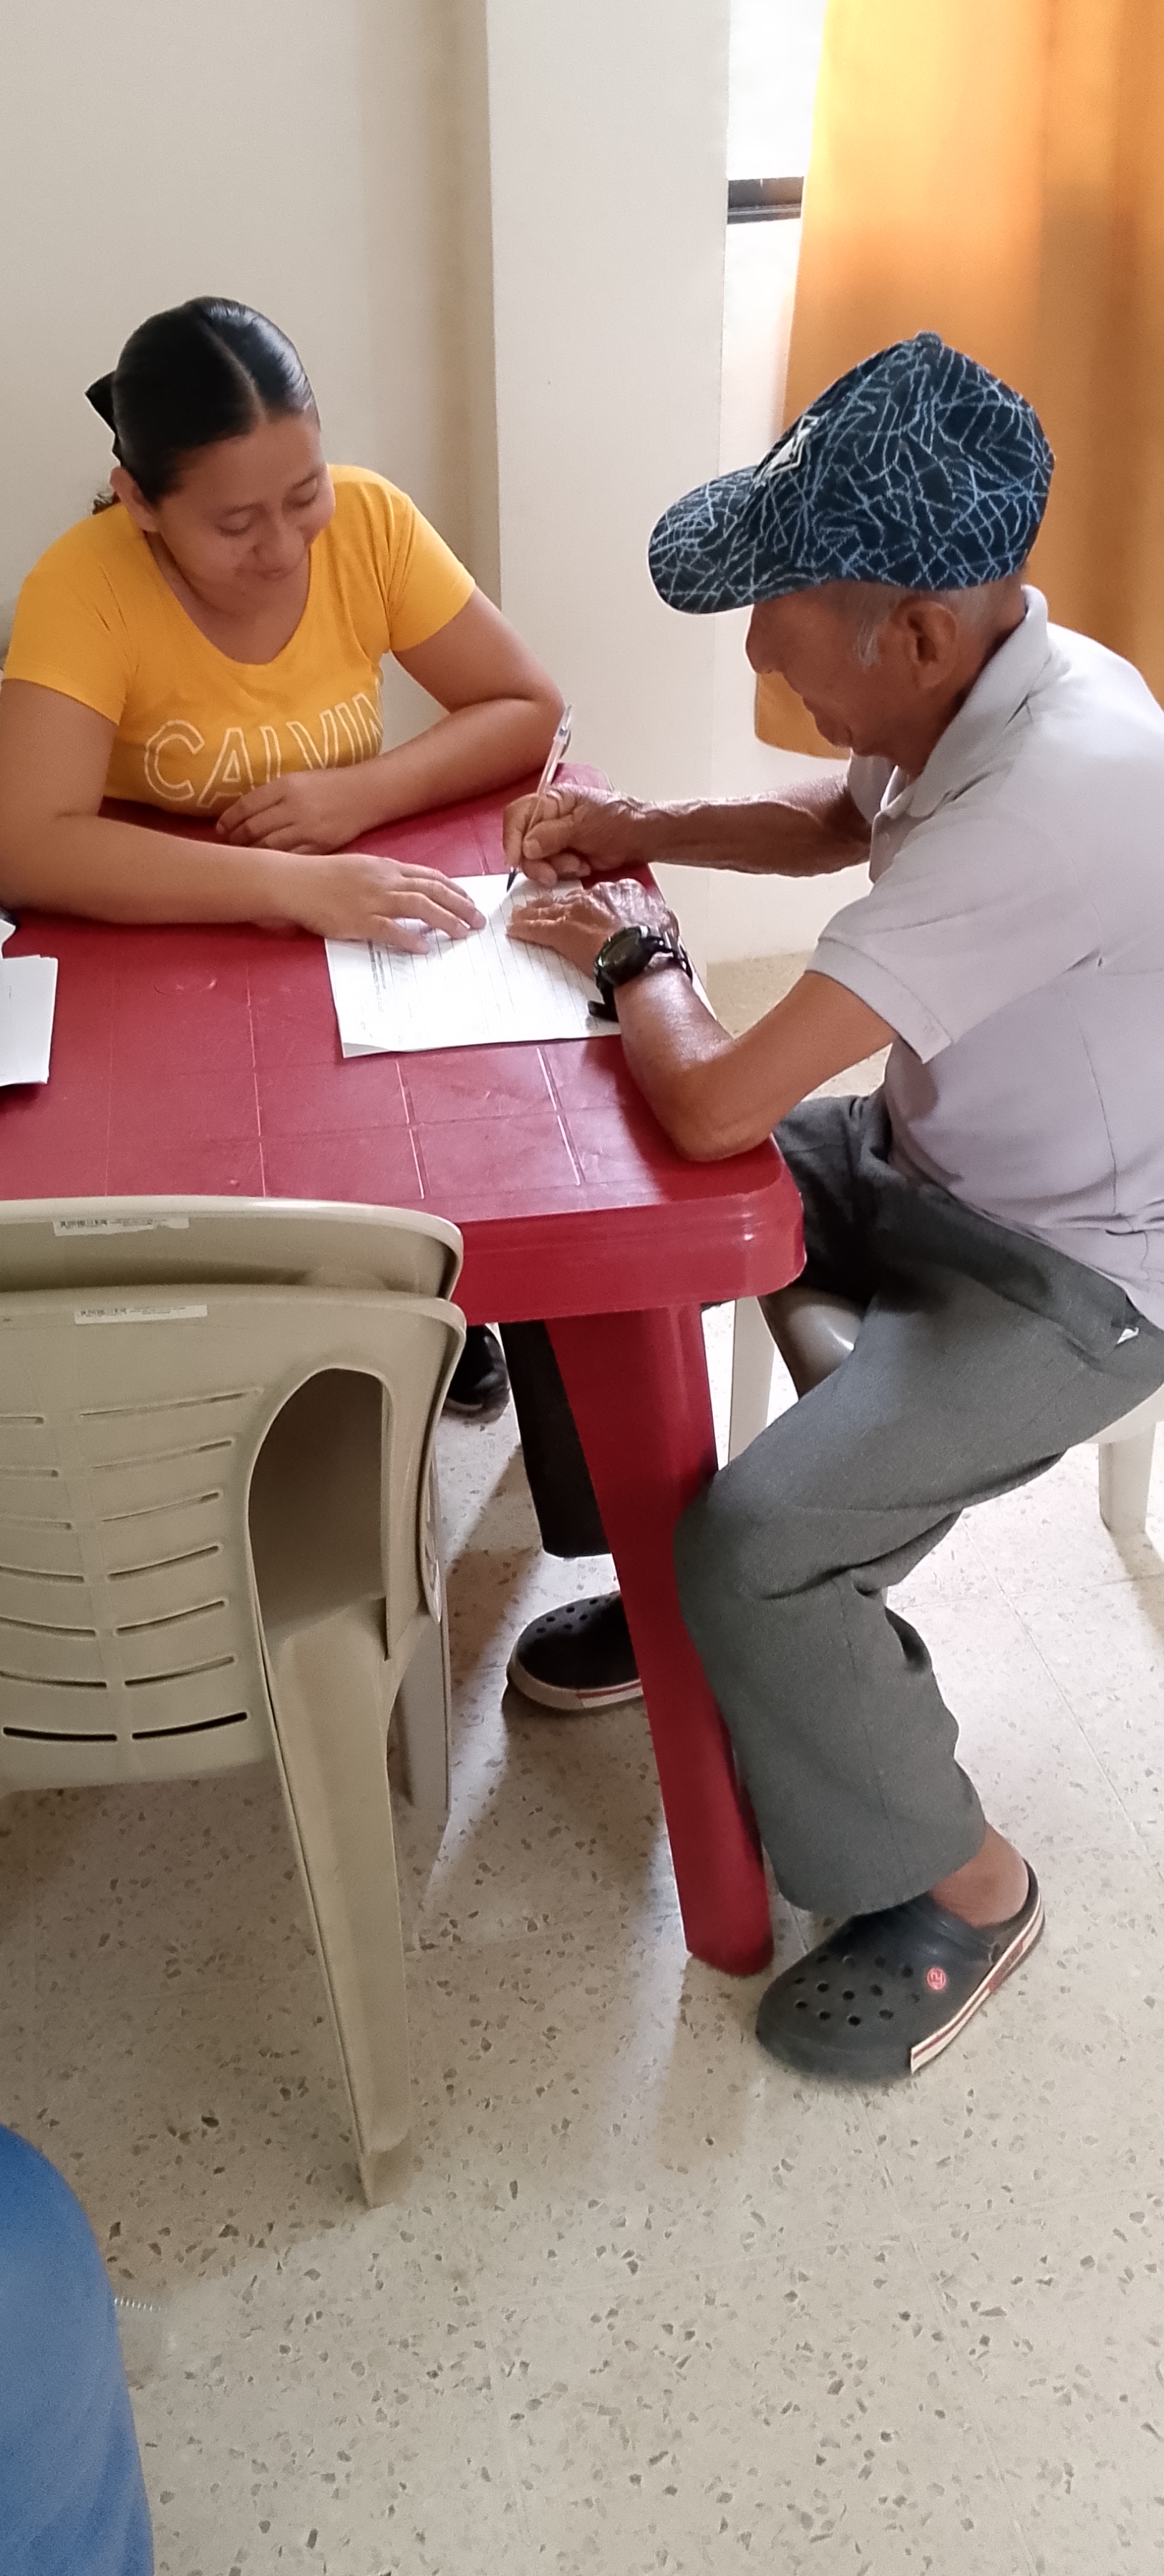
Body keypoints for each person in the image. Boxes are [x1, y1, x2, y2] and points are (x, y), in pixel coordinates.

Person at [501, 330, 1164, 2080]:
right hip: (922, 1163)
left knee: (763, 1547)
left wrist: (635, 953)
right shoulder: (982, 679)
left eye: (776, 624)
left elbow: (721, 1094)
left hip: (1076, 1278)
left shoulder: (1064, 790)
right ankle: (683, 1618)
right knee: (575, 1202)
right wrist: (639, 822)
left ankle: (964, 1882)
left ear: (917, 633)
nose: (755, 657)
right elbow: (838, 813)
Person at [0, 294, 565, 1417]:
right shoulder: (84, 582)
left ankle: (430, 1301)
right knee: (195, 1192)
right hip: (164, 942)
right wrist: (293, 886)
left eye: (304, 495)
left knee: (451, 1125)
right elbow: (25, 844)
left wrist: (363, 794)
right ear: (139, 503)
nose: (286, 545)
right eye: (236, 523)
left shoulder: (372, 525)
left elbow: (527, 707)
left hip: (346, 935)